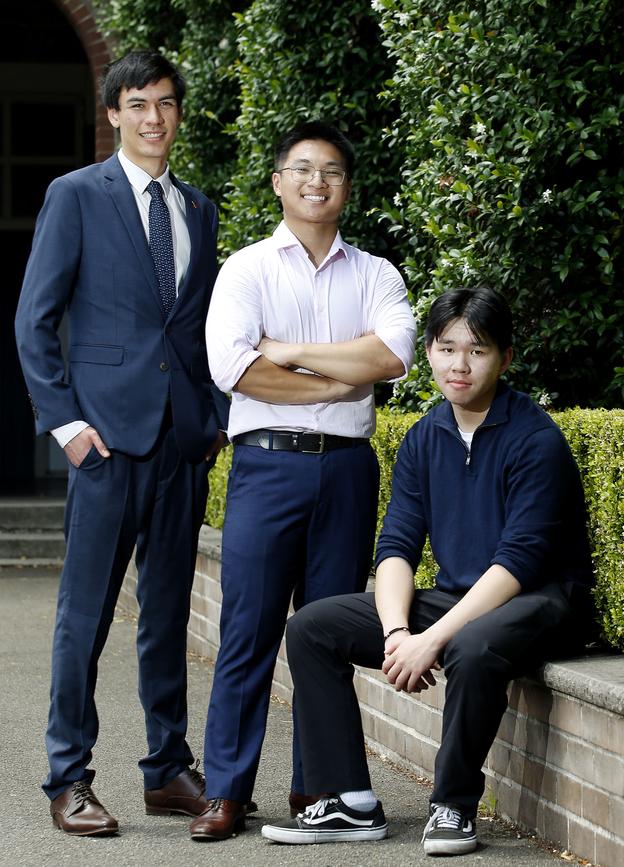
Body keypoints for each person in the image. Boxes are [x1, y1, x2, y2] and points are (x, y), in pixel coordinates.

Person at [260, 287, 595, 856]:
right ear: (431, 353)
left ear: (505, 358)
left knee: (472, 646)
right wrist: (397, 635)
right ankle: (347, 800)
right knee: (313, 626)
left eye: (478, 350)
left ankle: (453, 806)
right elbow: (396, 546)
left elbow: (518, 562)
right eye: (446, 348)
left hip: (539, 599)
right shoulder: (424, 437)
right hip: (462, 597)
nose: (459, 365)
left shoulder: (536, 440)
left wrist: (432, 639)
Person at [14, 50, 230, 836]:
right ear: (113, 114)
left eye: (166, 103)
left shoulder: (198, 211)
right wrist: (68, 428)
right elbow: (33, 321)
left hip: (181, 445)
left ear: (178, 112)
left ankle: (166, 767)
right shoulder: (74, 196)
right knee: (85, 617)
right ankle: (67, 775)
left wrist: (211, 419)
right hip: (104, 447)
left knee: (167, 612)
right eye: (137, 104)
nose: (153, 118)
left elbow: (202, 330)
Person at [191, 121, 416, 841]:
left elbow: (388, 359)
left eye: (333, 171)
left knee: (324, 631)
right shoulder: (247, 269)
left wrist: (288, 356)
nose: (317, 181)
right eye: (303, 169)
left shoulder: (375, 273)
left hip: (348, 472)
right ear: (279, 182)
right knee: (248, 629)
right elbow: (233, 369)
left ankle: (317, 787)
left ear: (347, 187)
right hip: (266, 466)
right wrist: (335, 379)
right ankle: (225, 789)